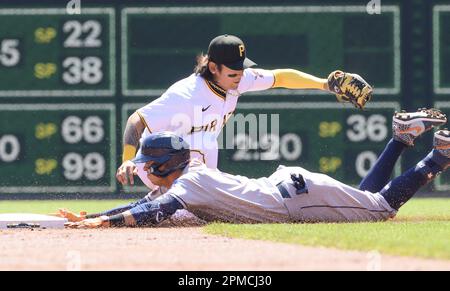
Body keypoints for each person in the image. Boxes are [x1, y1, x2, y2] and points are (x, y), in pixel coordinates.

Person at [61, 108, 449, 228]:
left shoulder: (189, 182)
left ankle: (439, 157)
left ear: (164, 164)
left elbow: (154, 212)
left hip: (294, 200)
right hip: (292, 191)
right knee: (367, 200)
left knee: (381, 209)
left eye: (148, 164)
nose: (144, 170)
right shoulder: (184, 178)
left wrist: (103, 225)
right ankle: (400, 137)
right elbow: (145, 204)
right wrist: (92, 215)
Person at [116, 34, 372, 200]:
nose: (240, 75)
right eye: (233, 71)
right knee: (205, 144)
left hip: (186, 160)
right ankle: (179, 200)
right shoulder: (185, 95)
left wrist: (325, 84)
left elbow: (281, 77)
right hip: (153, 164)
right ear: (213, 67)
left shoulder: (235, 81)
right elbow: (136, 120)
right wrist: (127, 160)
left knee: (206, 147)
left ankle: (181, 202)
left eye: (241, 68)